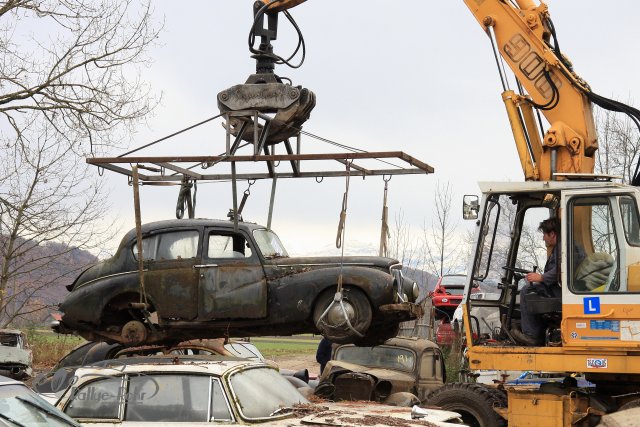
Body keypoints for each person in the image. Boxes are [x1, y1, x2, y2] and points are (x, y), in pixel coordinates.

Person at [511, 217, 561, 346]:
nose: (543, 238)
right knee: (531, 288)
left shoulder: (564, 249)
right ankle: (534, 328)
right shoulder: (560, 248)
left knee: (527, 292)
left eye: (544, 234)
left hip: (560, 292)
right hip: (558, 288)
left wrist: (542, 278)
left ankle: (532, 335)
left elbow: (563, 269)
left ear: (552, 234)